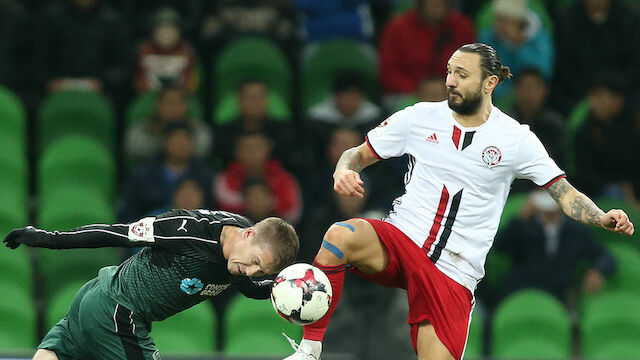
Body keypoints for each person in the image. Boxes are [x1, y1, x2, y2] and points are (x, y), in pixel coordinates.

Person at [283, 43, 634, 360]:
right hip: (403, 239)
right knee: (340, 236)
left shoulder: (516, 139)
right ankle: (310, 348)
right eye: (449, 71)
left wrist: (602, 216)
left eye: (462, 74)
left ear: (490, 83)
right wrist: (343, 170)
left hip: (454, 271)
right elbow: (355, 154)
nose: (450, 80)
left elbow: (565, 193)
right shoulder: (417, 117)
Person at [3, 209, 299, 360]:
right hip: (117, 311)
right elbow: (115, 234)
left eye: (260, 272)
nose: (250, 273)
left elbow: (246, 286)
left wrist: (281, 290)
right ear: (248, 235)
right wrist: (48, 238)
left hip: (98, 302)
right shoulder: (187, 231)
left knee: (49, 356)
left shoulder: (239, 256)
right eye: (256, 263)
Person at [493, 190, 616, 304]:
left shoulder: (575, 231)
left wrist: (598, 271)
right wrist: (521, 218)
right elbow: (499, 246)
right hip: (522, 290)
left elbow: (604, 256)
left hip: (558, 293)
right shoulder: (524, 226)